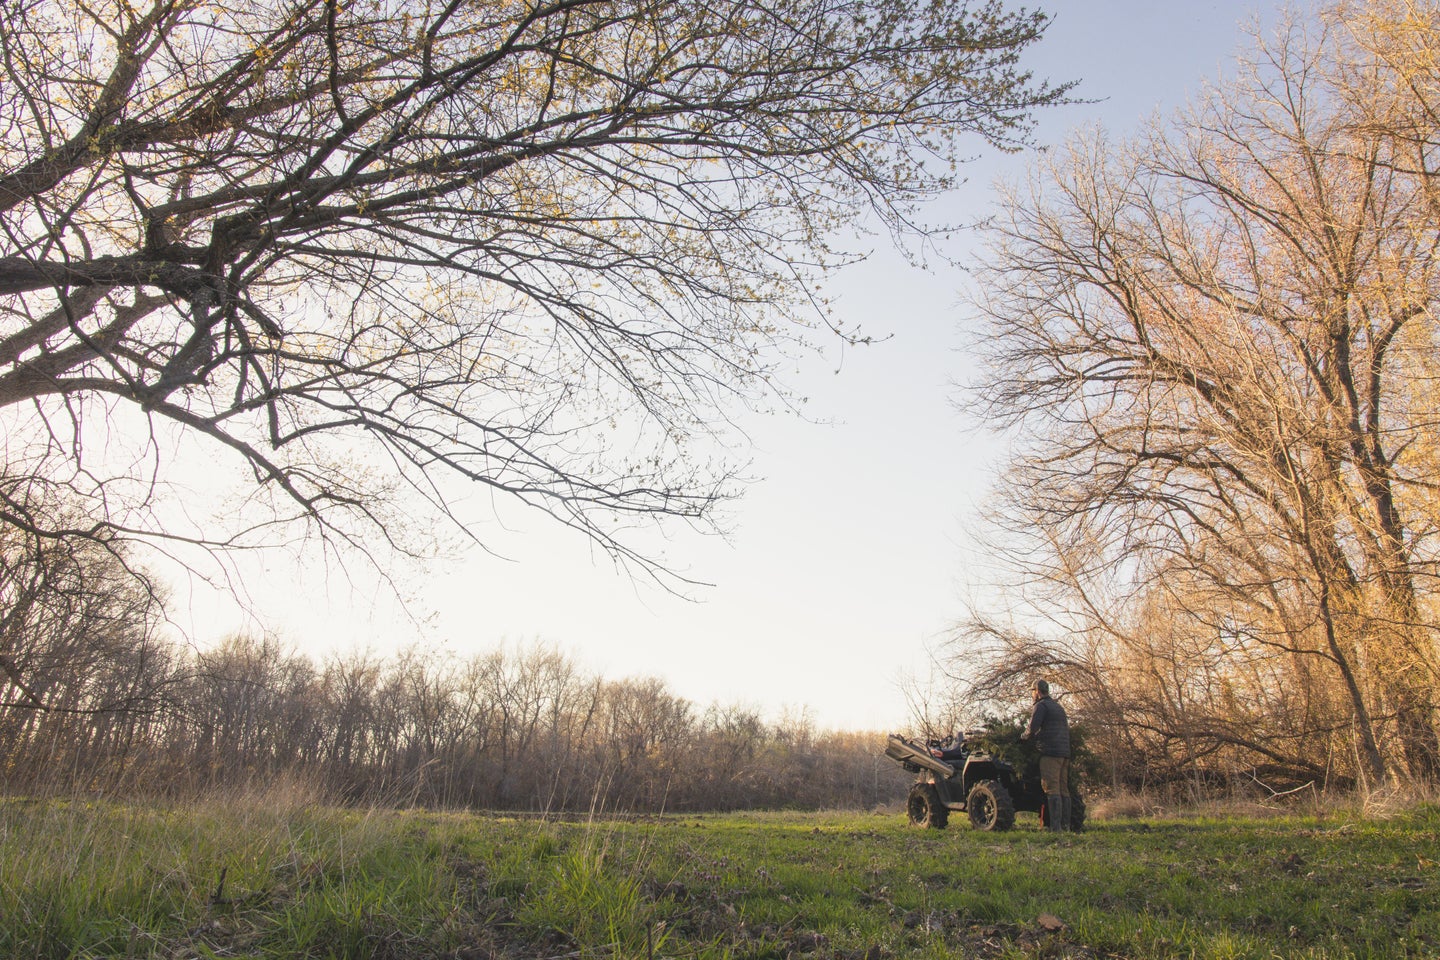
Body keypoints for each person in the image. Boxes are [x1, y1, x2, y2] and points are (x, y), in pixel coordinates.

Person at [1020, 678, 1071, 832]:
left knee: (1051, 787)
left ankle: (1055, 828)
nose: (1032, 695)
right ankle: (1066, 826)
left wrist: (1022, 737)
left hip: (1050, 753)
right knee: (1063, 789)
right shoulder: (1058, 707)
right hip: (1064, 753)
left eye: (1032, 692)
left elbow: (1032, 728)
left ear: (1037, 691)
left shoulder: (1041, 706)